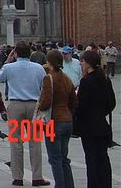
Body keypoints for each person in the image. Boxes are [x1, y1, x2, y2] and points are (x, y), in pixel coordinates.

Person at [0, 41, 49, 187]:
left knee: (16, 142)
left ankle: (17, 177)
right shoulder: (38, 68)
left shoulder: (9, 67)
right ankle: (37, 177)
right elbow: (43, 86)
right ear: (29, 53)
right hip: (34, 106)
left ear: (15, 53)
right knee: (35, 142)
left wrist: (7, 60)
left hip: (15, 106)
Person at [75, 49, 116, 188]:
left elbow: (81, 105)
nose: (81, 64)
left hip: (88, 126)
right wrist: (101, 112)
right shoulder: (105, 79)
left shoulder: (86, 81)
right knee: (103, 158)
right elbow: (112, 102)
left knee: (91, 159)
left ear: (88, 63)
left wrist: (79, 116)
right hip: (102, 124)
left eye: (82, 61)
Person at [38, 49, 77, 188]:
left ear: (49, 62)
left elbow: (46, 102)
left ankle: (60, 185)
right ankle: (69, 185)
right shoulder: (67, 78)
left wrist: (40, 105)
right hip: (67, 120)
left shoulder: (49, 78)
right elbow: (74, 101)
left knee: (55, 158)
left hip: (53, 121)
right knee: (64, 158)